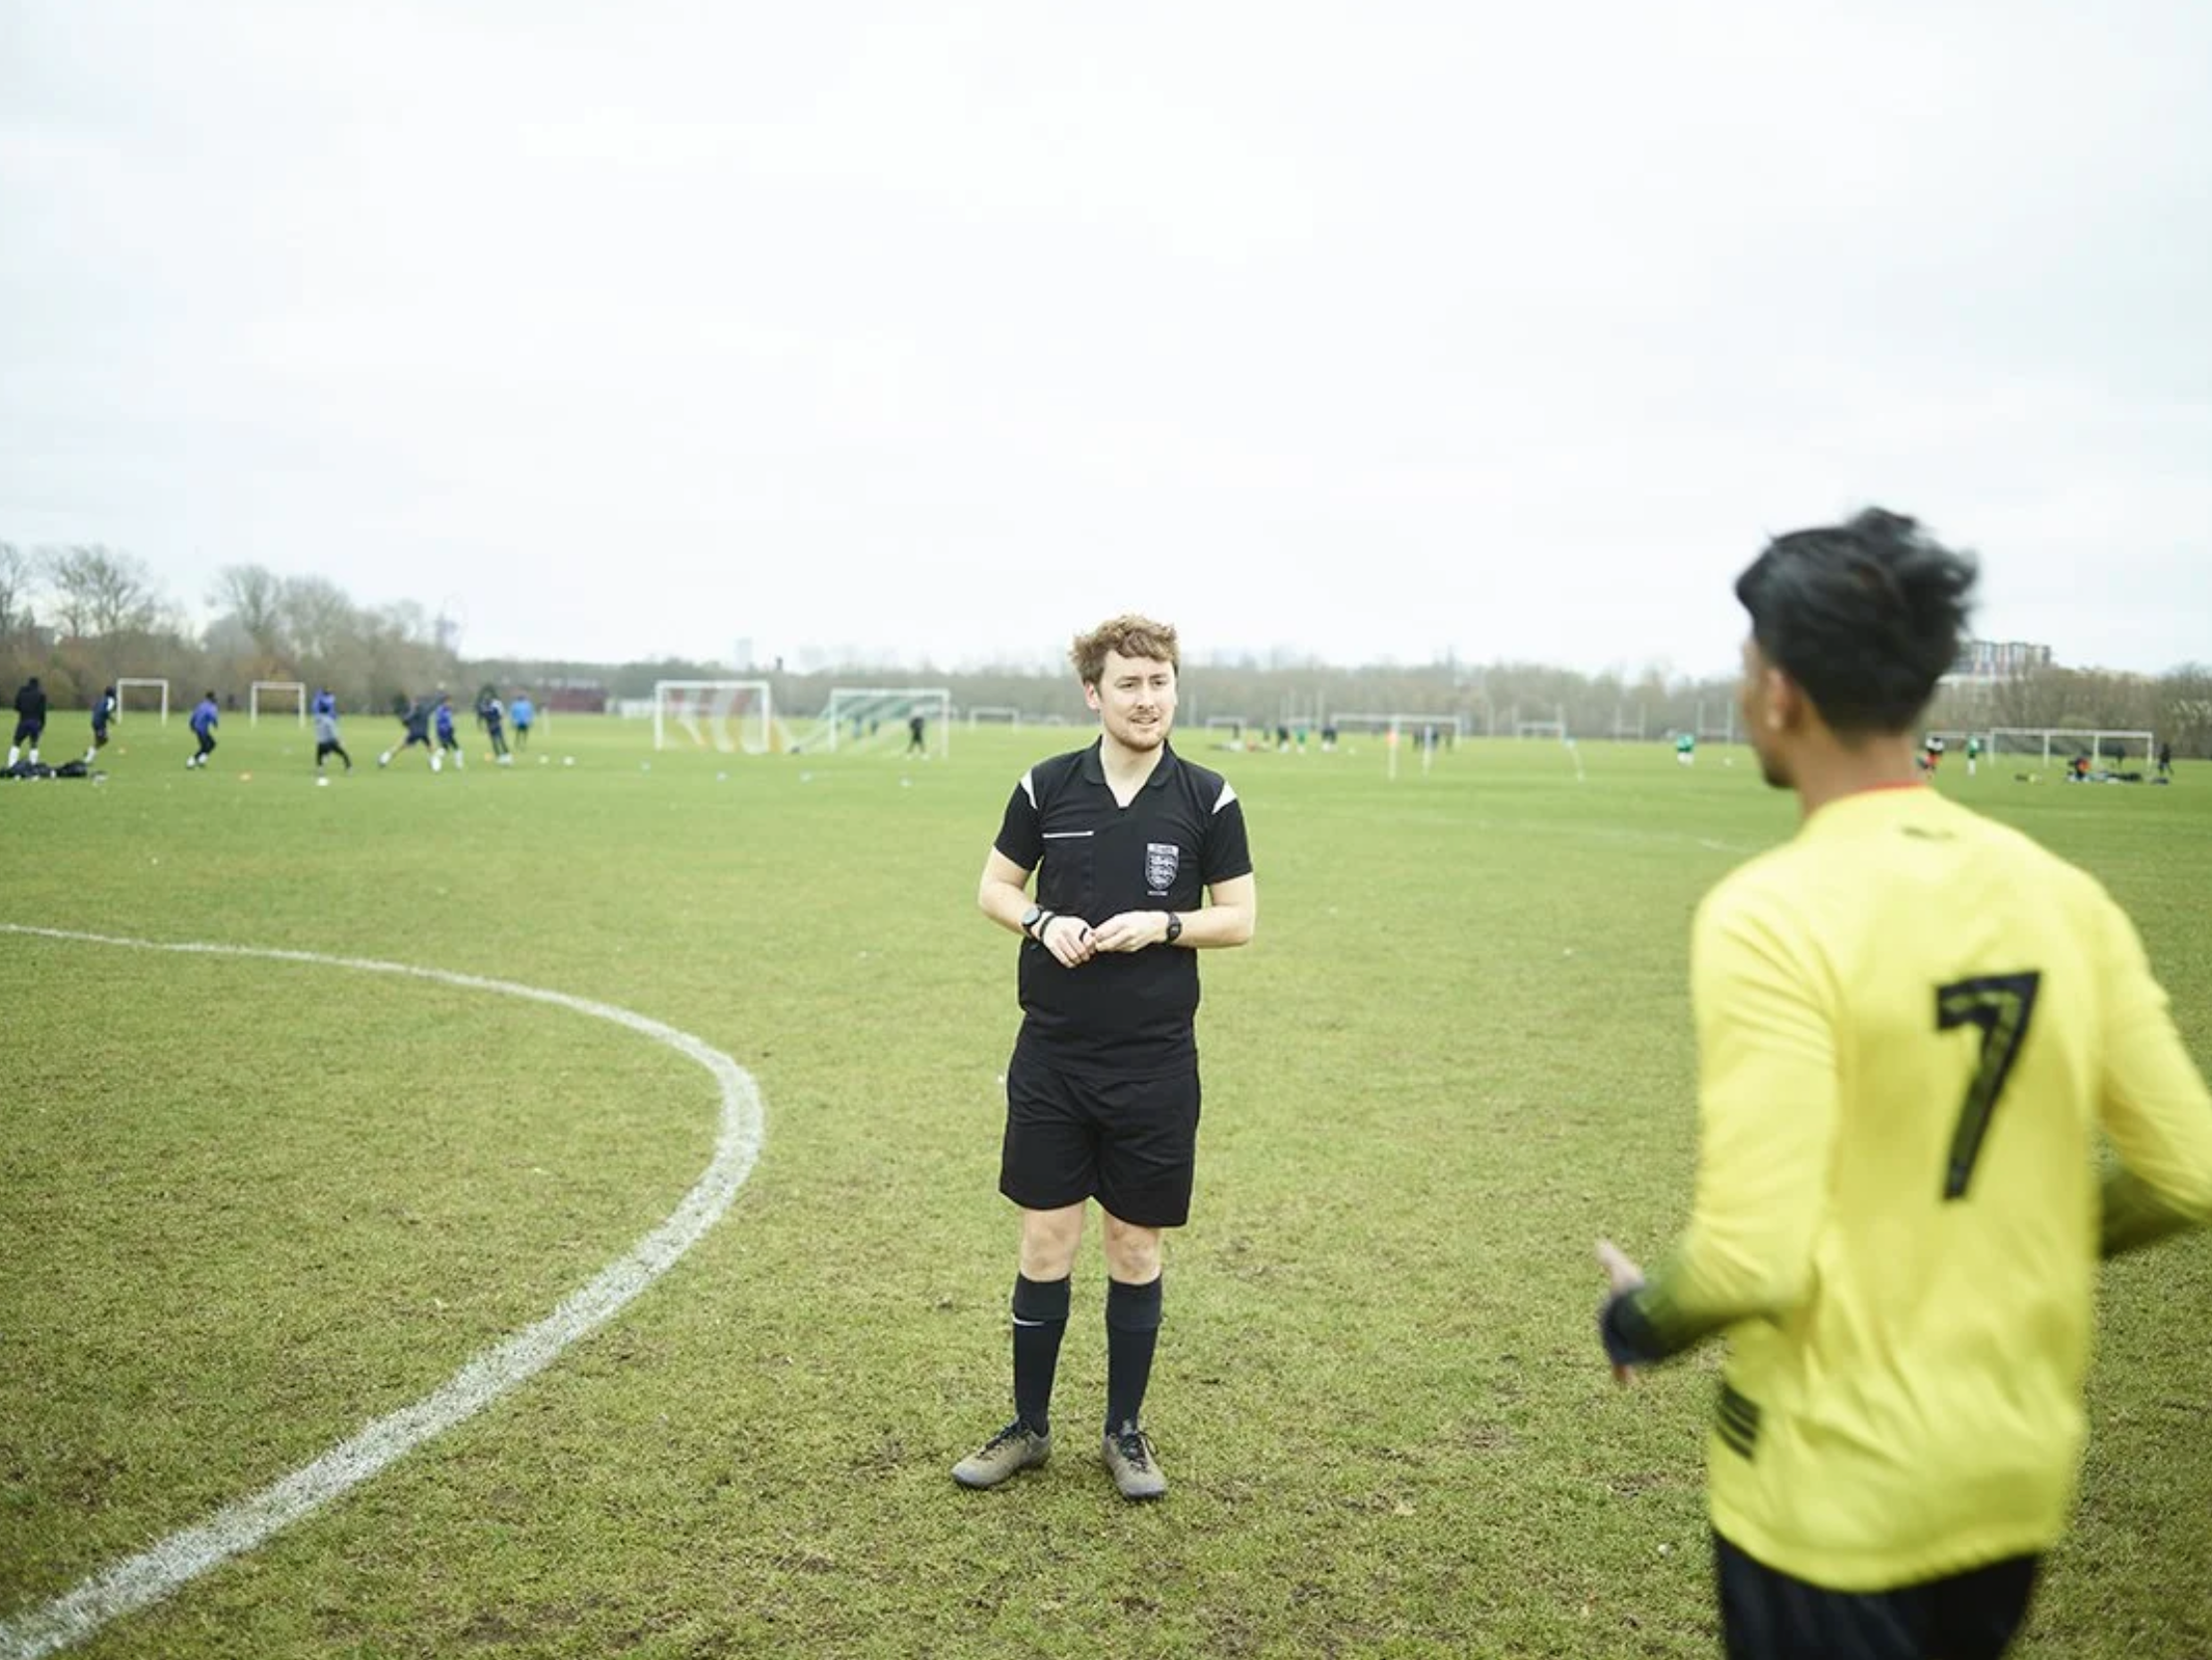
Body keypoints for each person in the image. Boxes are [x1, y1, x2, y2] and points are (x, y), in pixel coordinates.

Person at [1590, 509, 2212, 1660]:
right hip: (2011, 1472)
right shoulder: (2063, 895)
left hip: (1826, 1485)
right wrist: (2013, 1228)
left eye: (1746, 665)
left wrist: (1635, 1318)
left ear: (1781, 692)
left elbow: (1751, 1258)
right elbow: (2189, 1170)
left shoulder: (1770, 914)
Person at [956, 614, 1256, 1503]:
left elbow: (1239, 918)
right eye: (1129, 684)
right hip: (1053, 1058)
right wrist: (1040, 921)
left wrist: (1164, 924)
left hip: (1156, 1066)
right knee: (1046, 1240)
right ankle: (1028, 1427)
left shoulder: (1208, 797)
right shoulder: (1046, 786)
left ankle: (1125, 1433)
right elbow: (993, 888)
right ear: (1094, 694)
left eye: (1160, 682)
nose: (1147, 699)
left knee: (1134, 1246)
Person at [380, 697, 435, 769]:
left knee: (400, 747)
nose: (412, 705)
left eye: (413, 703)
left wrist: (403, 720)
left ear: (416, 703)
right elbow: (432, 707)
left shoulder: (414, 711)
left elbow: (405, 720)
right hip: (424, 733)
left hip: (414, 733)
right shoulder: (426, 710)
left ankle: (385, 758)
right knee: (431, 746)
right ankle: (432, 762)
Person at [7, 675, 47, 770]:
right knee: (34, 744)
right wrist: (42, 725)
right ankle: (33, 765)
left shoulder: (22, 692)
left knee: (16, 742)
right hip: (35, 722)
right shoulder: (41, 695)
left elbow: (16, 707)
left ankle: (11, 764)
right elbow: (42, 712)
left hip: (23, 720)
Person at [311, 689, 352, 775]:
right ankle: (349, 769)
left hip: (320, 742)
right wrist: (340, 741)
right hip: (330, 743)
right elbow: (334, 733)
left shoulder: (317, 720)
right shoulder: (329, 720)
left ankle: (320, 770)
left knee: (319, 756)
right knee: (344, 755)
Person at [83, 683, 118, 765]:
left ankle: (89, 753)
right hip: (100, 722)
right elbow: (106, 711)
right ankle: (88, 758)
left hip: (94, 720)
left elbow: (95, 708)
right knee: (104, 739)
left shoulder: (102, 699)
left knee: (99, 740)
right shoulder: (111, 701)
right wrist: (111, 719)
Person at [186, 690, 219, 769]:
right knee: (205, 747)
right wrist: (215, 723)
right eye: (214, 697)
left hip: (198, 728)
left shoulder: (201, 705)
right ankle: (191, 761)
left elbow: (193, 715)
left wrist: (191, 725)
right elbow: (212, 715)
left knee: (212, 744)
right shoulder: (211, 706)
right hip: (202, 729)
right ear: (211, 698)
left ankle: (201, 760)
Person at [433, 693, 463, 771]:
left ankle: (459, 766)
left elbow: (449, 721)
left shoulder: (448, 710)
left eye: (450, 702)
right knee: (444, 749)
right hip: (443, 733)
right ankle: (435, 761)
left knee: (457, 749)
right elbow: (438, 722)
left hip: (449, 733)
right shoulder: (440, 710)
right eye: (448, 702)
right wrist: (446, 728)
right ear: (444, 702)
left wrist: (452, 727)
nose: (450, 703)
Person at [478, 692, 510, 763]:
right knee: (497, 742)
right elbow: (499, 717)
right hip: (493, 727)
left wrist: (485, 727)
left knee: (499, 742)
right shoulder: (489, 709)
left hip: (495, 727)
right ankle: (502, 757)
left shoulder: (490, 709)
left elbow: (498, 718)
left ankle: (505, 757)